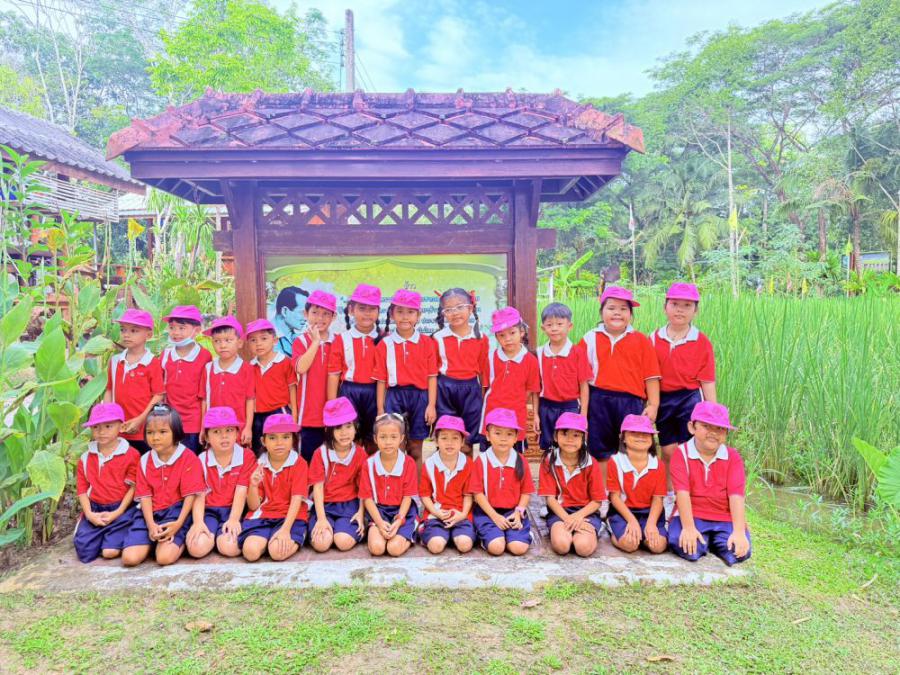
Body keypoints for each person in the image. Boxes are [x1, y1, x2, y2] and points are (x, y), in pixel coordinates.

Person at [580, 286, 661, 483]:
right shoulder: (590, 338)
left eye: (623, 309)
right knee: (600, 448)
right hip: (598, 400)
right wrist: (583, 409)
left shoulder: (641, 341)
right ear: (601, 312)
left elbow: (651, 376)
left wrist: (653, 405)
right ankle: (603, 492)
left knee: (632, 446)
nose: (617, 313)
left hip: (631, 402)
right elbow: (581, 377)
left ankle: (629, 490)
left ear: (630, 315)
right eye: (611, 308)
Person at [650, 283, 716, 516]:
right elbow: (648, 377)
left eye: (687, 305)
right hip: (662, 398)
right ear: (665, 307)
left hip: (689, 399)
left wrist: (712, 414)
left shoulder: (701, 341)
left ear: (695, 310)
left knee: (690, 450)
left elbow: (707, 380)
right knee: (667, 450)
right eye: (675, 304)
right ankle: (668, 494)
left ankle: (689, 497)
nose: (680, 310)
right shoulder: (653, 338)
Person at [667, 402, 751, 566]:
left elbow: (736, 496)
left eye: (720, 428)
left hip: (723, 517)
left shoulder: (733, 457)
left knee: (739, 551)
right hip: (693, 514)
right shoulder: (681, 453)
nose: (713, 432)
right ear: (692, 427)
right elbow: (682, 493)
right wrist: (689, 528)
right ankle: (705, 540)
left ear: (726, 433)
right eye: (706, 426)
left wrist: (739, 531)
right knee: (687, 546)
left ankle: (713, 540)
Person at [122, 405, 206, 567]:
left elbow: (190, 495)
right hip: (150, 514)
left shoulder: (188, 458)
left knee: (164, 558)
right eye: (150, 432)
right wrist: (151, 525)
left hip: (176, 513)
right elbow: (145, 496)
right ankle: (152, 540)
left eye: (162, 432)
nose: (155, 438)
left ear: (176, 432)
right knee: (129, 559)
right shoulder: (145, 460)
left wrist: (178, 523)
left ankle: (173, 543)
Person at [373, 290, 438, 462]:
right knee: (396, 445)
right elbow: (381, 380)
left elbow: (432, 377)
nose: (405, 317)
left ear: (418, 315)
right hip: (394, 396)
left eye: (410, 312)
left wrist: (431, 405)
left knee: (416, 447)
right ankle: (397, 479)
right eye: (400, 312)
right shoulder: (385, 344)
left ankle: (415, 480)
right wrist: (380, 410)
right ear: (392, 314)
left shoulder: (427, 343)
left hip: (420, 397)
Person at [186, 407, 256, 559]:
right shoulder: (201, 459)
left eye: (229, 430)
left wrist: (234, 519)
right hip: (209, 511)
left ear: (237, 433)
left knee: (229, 548)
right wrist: (198, 522)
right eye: (216, 432)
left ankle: (219, 538)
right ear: (207, 436)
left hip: (234, 510)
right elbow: (199, 494)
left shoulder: (246, 456)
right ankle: (212, 537)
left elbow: (242, 490)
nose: (224, 436)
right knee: (196, 548)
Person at [74, 403, 140, 563]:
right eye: (95, 427)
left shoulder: (131, 455)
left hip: (122, 509)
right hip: (95, 509)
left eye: (108, 426)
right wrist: (89, 514)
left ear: (121, 427)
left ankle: (111, 538)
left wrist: (117, 512)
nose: (101, 432)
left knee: (109, 552)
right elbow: (82, 490)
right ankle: (89, 529)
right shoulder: (86, 458)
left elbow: (133, 488)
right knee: (84, 553)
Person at [240, 414, 309, 562]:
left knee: (277, 553)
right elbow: (253, 506)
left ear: (293, 440)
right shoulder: (259, 464)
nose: (279, 443)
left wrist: (285, 530)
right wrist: (253, 486)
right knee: (250, 552)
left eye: (286, 437)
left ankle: (284, 538)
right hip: (263, 516)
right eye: (272, 438)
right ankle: (267, 540)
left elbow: (297, 500)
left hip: (291, 517)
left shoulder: (299, 464)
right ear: (263, 441)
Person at [467, 408, 535, 556]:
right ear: (488, 436)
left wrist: (519, 512)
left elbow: (526, 491)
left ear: (516, 437)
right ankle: (485, 537)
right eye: (497, 433)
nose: (503, 438)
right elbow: (477, 493)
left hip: (513, 511)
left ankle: (523, 535)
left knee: (518, 548)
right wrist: (494, 516)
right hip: (487, 512)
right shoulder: (482, 461)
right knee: (496, 548)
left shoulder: (520, 460)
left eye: (509, 434)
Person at [538, 412, 605, 557]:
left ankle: (596, 528)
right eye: (564, 433)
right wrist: (568, 519)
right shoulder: (549, 460)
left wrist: (577, 517)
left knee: (583, 548)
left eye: (576, 435)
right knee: (562, 545)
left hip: (586, 512)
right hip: (559, 511)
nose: (570, 439)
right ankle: (564, 530)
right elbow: (550, 499)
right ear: (555, 436)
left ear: (583, 438)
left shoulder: (591, 463)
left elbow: (597, 501)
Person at [432, 288, 489, 452]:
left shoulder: (481, 338)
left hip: (471, 390)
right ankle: (444, 467)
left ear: (471, 308)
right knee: (446, 435)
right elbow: (432, 372)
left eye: (460, 307)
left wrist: (483, 397)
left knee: (468, 441)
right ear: (443, 313)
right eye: (449, 309)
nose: (455, 312)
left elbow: (483, 370)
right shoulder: (437, 338)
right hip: (444, 389)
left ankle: (467, 468)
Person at [308, 397, 367, 553]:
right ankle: (328, 527)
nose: (344, 433)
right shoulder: (320, 454)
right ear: (329, 430)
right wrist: (321, 519)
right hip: (324, 505)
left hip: (350, 505)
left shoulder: (360, 454)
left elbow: (364, 488)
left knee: (343, 542)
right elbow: (317, 489)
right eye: (338, 428)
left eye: (348, 426)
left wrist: (361, 513)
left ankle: (345, 529)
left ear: (355, 427)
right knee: (321, 544)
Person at [327, 284, 382, 447]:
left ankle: (371, 464)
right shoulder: (341, 339)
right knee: (351, 439)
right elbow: (333, 375)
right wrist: (332, 406)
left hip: (375, 392)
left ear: (378, 311)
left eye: (372, 309)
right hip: (349, 392)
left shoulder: (384, 339)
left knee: (374, 438)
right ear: (351, 310)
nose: (367, 313)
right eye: (362, 308)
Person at [480, 307, 540, 453]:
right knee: (490, 454)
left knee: (516, 455)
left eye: (512, 333)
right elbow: (485, 388)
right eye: (502, 335)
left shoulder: (531, 361)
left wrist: (534, 414)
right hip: (492, 413)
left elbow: (532, 390)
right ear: (497, 337)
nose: (507, 339)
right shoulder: (490, 358)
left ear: (522, 332)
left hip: (516, 415)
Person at [104, 308, 164, 454]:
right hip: (118, 429)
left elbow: (158, 395)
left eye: (134, 330)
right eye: (123, 330)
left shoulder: (152, 362)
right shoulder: (115, 361)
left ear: (148, 335)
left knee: (144, 463)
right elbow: (109, 390)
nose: (126, 334)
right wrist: (108, 419)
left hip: (143, 430)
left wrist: (140, 420)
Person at [359, 412, 419, 557]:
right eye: (383, 437)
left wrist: (399, 520)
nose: (388, 442)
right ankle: (376, 530)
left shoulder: (409, 463)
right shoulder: (369, 464)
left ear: (401, 438)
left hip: (403, 512)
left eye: (393, 437)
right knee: (377, 548)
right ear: (375, 439)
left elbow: (408, 497)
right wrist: (379, 523)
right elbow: (367, 498)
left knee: (394, 549)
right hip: (379, 511)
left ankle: (411, 534)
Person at [607, 415, 668, 554]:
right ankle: (615, 532)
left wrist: (651, 524)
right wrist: (632, 521)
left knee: (657, 546)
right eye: (634, 433)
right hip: (623, 512)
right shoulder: (615, 461)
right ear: (623, 437)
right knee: (630, 545)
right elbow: (614, 497)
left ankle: (643, 535)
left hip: (649, 512)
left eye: (646, 434)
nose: (640, 437)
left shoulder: (658, 464)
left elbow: (658, 499)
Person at [536, 303, 591, 452]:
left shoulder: (578, 353)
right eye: (549, 325)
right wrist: (536, 414)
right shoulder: (539, 353)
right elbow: (536, 388)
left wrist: (583, 414)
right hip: (546, 408)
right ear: (543, 328)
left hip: (571, 408)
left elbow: (584, 385)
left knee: (571, 447)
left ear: (569, 326)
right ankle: (549, 467)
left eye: (559, 324)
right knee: (548, 447)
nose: (554, 328)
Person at [418, 415, 475, 554]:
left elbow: (468, 495)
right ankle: (431, 533)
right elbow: (425, 495)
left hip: (460, 514)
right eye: (444, 438)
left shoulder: (468, 464)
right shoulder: (429, 464)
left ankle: (453, 535)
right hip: (436, 513)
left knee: (465, 545)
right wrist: (436, 512)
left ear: (462, 442)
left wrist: (463, 514)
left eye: (455, 438)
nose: (449, 443)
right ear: (436, 441)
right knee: (436, 546)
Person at [292, 290, 337, 462]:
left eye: (326, 314)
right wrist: (316, 342)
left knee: (330, 460)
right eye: (315, 312)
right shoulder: (301, 341)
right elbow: (301, 368)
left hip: (332, 414)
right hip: (308, 415)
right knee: (308, 460)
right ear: (306, 313)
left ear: (333, 317)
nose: (320, 318)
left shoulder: (338, 341)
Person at [160, 305, 211, 453]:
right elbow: (160, 389)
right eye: (172, 328)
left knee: (190, 459)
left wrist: (204, 426)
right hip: (170, 421)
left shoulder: (204, 356)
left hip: (193, 423)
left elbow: (205, 394)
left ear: (196, 330)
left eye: (182, 328)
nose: (175, 332)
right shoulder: (165, 355)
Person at [199, 316, 255, 447]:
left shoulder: (246, 369)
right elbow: (204, 400)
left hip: (238, 429)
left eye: (228, 340)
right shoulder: (208, 368)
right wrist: (203, 428)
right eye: (217, 341)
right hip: (213, 428)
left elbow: (250, 400)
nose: (222, 345)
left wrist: (248, 428)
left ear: (239, 343)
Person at [247, 318, 297, 456]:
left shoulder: (285, 362)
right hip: (257, 416)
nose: (258, 344)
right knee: (259, 451)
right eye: (253, 340)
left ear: (274, 340)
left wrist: (294, 415)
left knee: (282, 449)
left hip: (279, 412)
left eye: (263, 338)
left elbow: (292, 388)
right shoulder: (250, 366)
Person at [273, 285, 310, 356]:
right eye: (302, 313)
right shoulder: (266, 338)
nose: (306, 318)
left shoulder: (297, 337)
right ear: (285, 311)